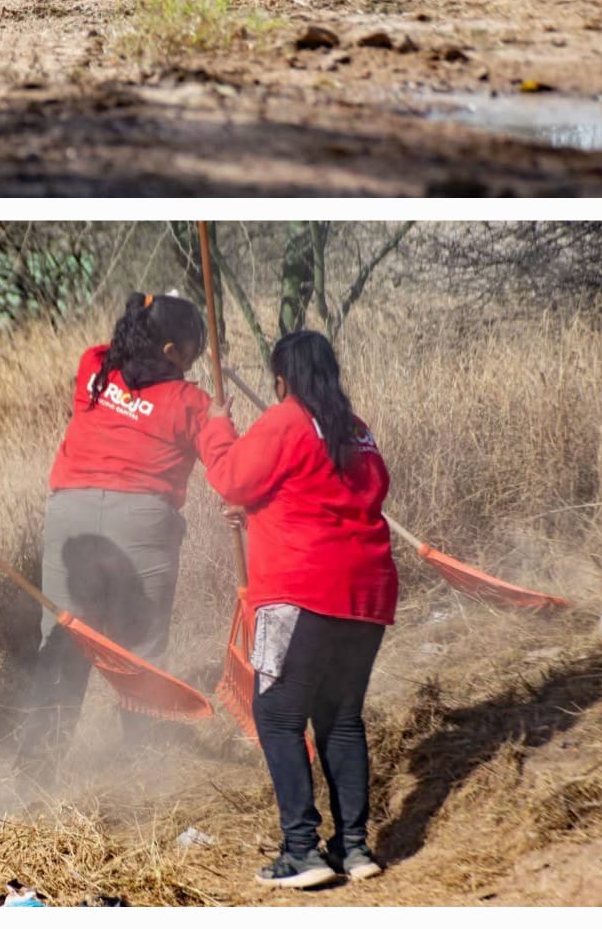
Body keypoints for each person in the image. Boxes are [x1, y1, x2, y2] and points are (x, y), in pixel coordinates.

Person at [199, 330, 398, 891]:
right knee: (340, 716)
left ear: (282, 379)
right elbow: (337, 495)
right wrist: (258, 510)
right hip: (368, 593)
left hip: (301, 590)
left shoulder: (287, 418)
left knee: (279, 717)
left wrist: (217, 426)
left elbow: (231, 475)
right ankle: (354, 846)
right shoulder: (356, 429)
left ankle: (302, 849)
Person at [19, 293, 225, 762]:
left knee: (63, 640)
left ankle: (36, 771)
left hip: (70, 518)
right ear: (172, 351)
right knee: (140, 650)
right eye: (193, 349)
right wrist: (221, 420)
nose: (196, 361)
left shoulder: (94, 368)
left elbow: (114, 349)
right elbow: (228, 471)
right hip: (143, 523)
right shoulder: (192, 403)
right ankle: (142, 769)